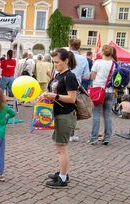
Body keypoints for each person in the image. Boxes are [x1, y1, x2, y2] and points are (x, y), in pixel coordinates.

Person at [43, 48, 78, 188]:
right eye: (53, 62)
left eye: (57, 62)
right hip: (58, 114)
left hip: (65, 115)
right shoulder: (58, 75)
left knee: (61, 148)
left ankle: (63, 178)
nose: (55, 64)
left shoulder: (69, 76)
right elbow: (54, 91)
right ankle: (63, 172)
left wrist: (54, 96)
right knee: (59, 147)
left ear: (66, 61)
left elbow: (72, 99)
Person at [88, 45, 116, 145]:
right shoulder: (114, 64)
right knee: (107, 115)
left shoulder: (97, 62)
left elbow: (92, 76)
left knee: (96, 114)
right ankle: (107, 137)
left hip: (98, 91)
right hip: (110, 91)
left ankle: (93, 138)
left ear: (102, 52)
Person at [68, 38, 90, 142]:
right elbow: (86, 76)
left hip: (62, 84)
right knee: (73, 111)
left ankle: (62, 131)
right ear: (79, 46)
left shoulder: (64, 55)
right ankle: (71, 134)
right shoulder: (83, 59)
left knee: (62, 108)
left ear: (70, 45)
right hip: (75, 86)